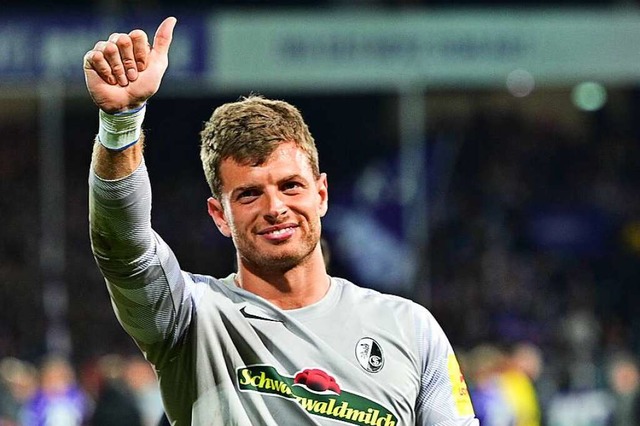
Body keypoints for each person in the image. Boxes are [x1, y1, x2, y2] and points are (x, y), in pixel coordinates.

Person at [83, 16, 478, 425]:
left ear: (321, 194)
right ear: (220, 215)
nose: (275, 208)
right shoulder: (191, 319)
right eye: (250, 194)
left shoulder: (409, 328)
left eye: (290, 186)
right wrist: (121, 125)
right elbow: (123, 247)